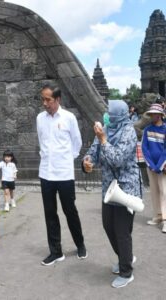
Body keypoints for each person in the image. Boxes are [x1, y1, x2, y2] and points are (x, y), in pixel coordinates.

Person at [83, 100, 141, 288]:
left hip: (126, 189)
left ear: (120, 115)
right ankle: (127, 256)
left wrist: (103, 139)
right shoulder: (106, 128)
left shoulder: (128, 131)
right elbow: (94, 152)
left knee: (122, 232)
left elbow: (117, 159)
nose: (107, 115)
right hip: (109, 188)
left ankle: (126, 272)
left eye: (110, 112)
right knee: (108, 226)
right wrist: (87, 162)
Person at [36, 83, 87, 266]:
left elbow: (77, 143)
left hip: (64, 174)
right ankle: (56, 251)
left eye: (48, 99)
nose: (44, 103)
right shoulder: (40, 118)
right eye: (42, 99)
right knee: (50, 214)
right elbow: (41, 141)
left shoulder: (69, 117)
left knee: (70, 211)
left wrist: (66, 160)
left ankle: (80, 244)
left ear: (57, 99)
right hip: (46, 173)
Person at [141, 103, 166, 233]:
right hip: (152, 167)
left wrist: (160, 165)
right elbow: (144, 148)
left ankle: (165, 220)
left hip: (163, 166)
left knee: (165, 192)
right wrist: (151, 164)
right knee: (154, 191)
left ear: (160, 115)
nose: (152, 116)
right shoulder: (147, 129)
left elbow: (165, 150)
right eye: (151, 114)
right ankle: (158, 215)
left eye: (154, 114)